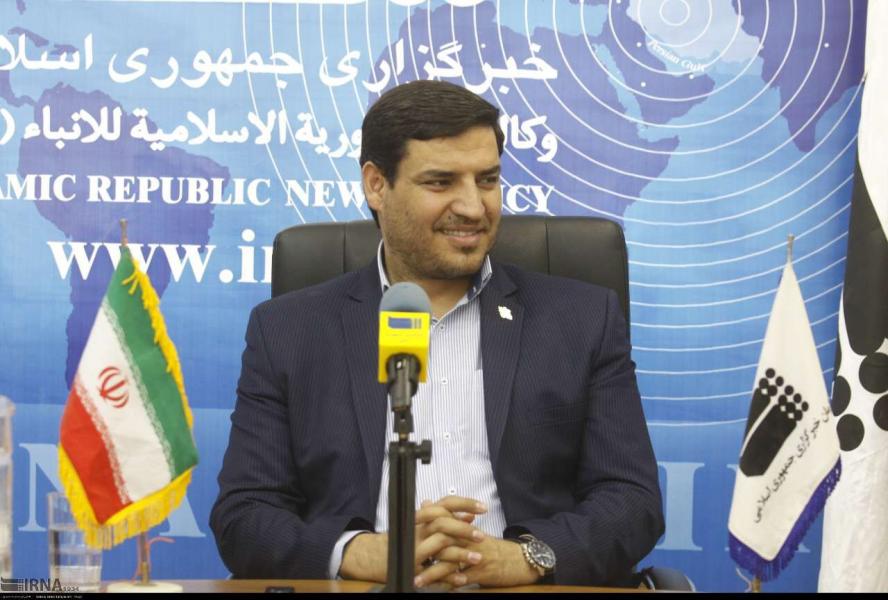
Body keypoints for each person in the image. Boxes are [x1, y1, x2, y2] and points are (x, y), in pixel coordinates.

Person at [210, 80, 664, 588]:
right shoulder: (288, 330)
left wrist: (522, 558)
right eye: (441, 182)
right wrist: (363, 553)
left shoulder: (581, 319)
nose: (474, 207)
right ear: (377, 185)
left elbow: (632, 501)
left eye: (487, 180)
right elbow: (245, 515)